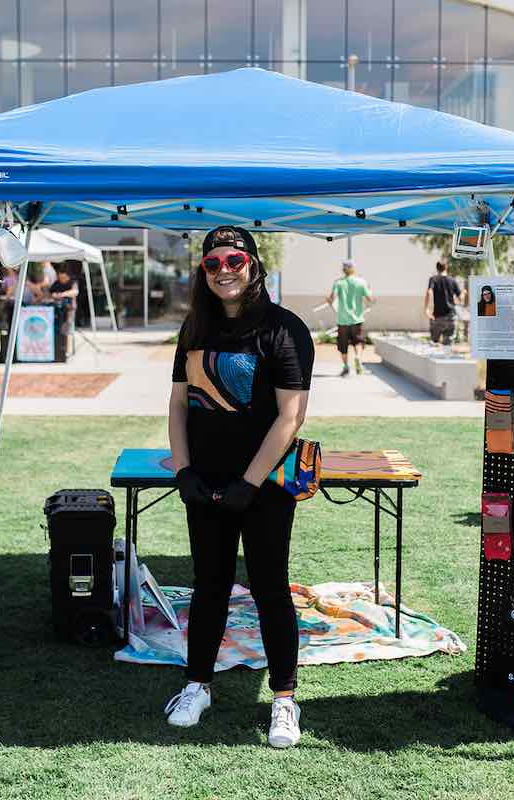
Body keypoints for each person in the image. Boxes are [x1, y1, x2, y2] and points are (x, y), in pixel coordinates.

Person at [167, 225, 314, 749]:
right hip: (205, 482)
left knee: (270, 586)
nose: (224, 271)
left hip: (265, 485)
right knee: (209, 584)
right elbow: (179, 403)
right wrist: (184, 471)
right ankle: (196, 685)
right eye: (213, 264)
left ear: (253, 266)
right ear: (203, 273)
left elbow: (291, 417)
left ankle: (283, 699)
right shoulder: (194, 329)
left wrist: (248, 484)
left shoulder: (284, 329)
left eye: (235, 261)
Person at [326, 259, 374, 376]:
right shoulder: (361, 282)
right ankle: (358, 357)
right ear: (353, 269)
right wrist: (369, 289)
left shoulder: (338, 283)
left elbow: (331, 299)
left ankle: (346, 367)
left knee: (343, 346)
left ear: (343, 270)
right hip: (357, 319)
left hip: (342, 320)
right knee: (358, 341)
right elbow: (370, 299)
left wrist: (329, 300)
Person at [424, 255, 465, 345]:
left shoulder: (433, 279)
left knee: (433, 344)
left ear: (437, 268)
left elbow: (429, 292)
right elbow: (460, 298)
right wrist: (462, 294)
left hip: (437, 317)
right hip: (451, 317)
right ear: (446, 268)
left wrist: (427, 309)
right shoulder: (452, 280)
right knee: (448, 346)